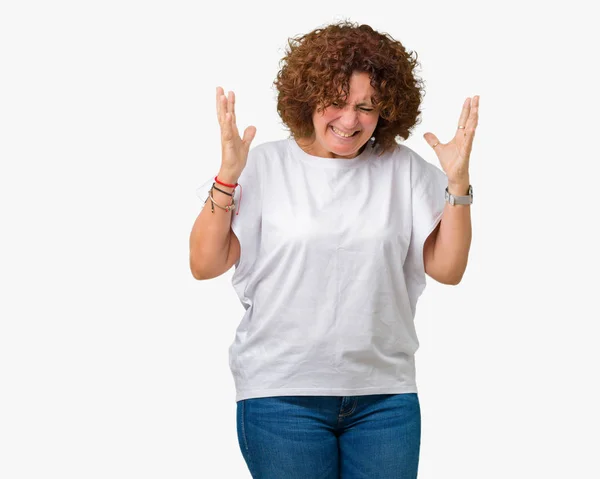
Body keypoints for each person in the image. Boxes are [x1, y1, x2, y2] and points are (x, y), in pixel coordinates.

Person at [189, 20, 478, 479]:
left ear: (387, 111)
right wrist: (228, 175)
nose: (349, 120)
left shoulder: (402, 169)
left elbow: (448, 269)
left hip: (385, 398)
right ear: (307, 96)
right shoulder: (263, 165)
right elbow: (204, 264)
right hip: (280, 396)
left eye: (367, 107)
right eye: (337, 102)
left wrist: (457, 185)